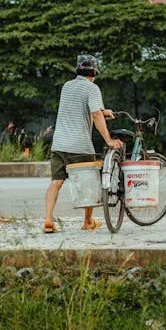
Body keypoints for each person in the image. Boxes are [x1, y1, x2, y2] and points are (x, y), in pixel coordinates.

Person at [43, 54, 123, 233]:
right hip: (80, 145)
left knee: (56, 182)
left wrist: (104, 111)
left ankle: (48, 220)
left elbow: (82, 106)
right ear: (94, 72)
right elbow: (95, 114)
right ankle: (87, 221)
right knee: (90, 184)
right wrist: (108, 140)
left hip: (59, 144)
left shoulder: (67, 86)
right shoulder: (92, 88)